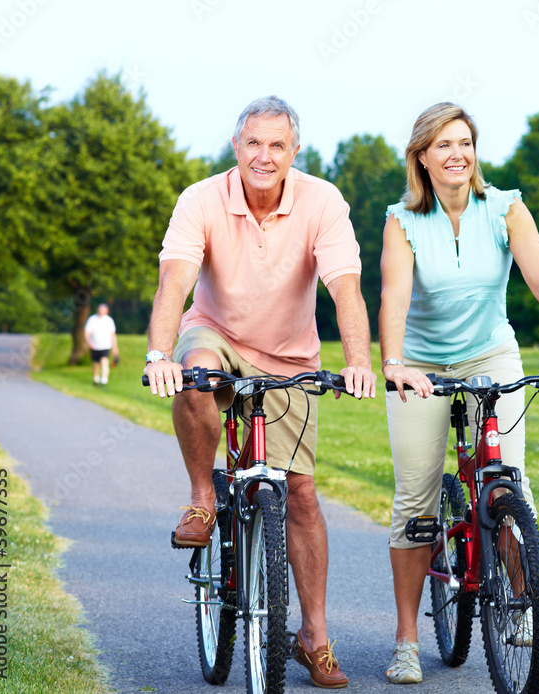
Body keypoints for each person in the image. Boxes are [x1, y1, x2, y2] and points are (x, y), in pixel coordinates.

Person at [143, 96, 376, 689]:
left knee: (299, 494)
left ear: (294, 150)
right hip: (214, 334)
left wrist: (357, 363)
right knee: (195, 372)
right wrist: (158, 355)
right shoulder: (200, 199)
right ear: (236, 147)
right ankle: (203, 496)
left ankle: (314, 636)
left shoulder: (323, 201)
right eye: (253, 143)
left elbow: (345, 284)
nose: (264, 156)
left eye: (277, 145)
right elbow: (176, 278)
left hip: (289, 357)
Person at [378, 102, 539, 684]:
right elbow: (393, 298)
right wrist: (393, 363)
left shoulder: (505, 209)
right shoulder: (402, 221)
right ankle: (406, 640)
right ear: (422, 156)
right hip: (420, 363)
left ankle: (521, 602)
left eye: (465, 143)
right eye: (443, 144)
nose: (457, 154)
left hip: (491, 353)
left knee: (508, 481)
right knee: (416, 501)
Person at [84, 303, 119, 385]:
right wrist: (89, 343)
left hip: (106, 345)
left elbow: (113, 335)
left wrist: (115, 347)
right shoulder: (92, 319)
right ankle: (96, 378)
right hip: (95, 346)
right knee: (96, 363)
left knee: (104, 361)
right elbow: (87, 333)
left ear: (106, 311)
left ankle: (104, 379)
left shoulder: (109, 320)